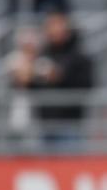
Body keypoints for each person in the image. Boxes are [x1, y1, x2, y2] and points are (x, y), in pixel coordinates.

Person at [29, 12, 95, 147]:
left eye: (57, 24)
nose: (54, 30)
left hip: (70, 124)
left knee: (69, 164)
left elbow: (87, 85)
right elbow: (34, 87)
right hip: (45, 124)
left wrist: (61, 77)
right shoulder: (41, 55)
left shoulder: (79, 56)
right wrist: (27, 79)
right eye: (50, 25)